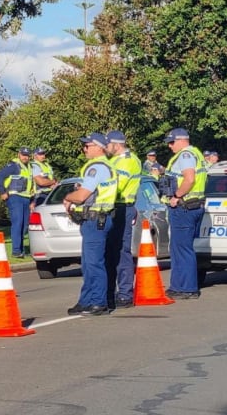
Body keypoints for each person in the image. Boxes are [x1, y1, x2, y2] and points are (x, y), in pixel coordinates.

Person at [63, 133, 119, 316]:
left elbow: (81, 196)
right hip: (96, 219)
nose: (84, 149)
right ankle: (86, 300)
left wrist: (67, 197)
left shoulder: (97, 168)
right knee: (87, 263)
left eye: (87, 146)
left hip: (96, 220)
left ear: (97, 147)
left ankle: (98, 301)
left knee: (94, 263)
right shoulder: (104, 166)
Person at [163, 127, 206, 299]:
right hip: (193, 206)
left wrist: (176, 196)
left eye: (172, 142)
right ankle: (178, 286)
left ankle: (187, 288)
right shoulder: (196, 153)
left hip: (184, 206)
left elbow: (189, 179)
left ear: (181, 140)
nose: (170, 146)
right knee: (180, 248)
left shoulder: (186, 155)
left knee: (182, 249)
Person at [106, 131, 141, 309]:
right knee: (111, 252)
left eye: (108, 144)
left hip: (122, 207)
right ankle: (111, 292)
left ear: (116, 144)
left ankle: (125, 294)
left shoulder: (127, 160)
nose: (106, 147)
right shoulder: (114, 160)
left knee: (121, 251)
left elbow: (117, 185)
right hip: (113, 207)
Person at [0, 147, 34, 258]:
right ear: (19, 155)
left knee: (24, 225)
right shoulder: (13, 166)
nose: (25, 157)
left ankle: (21, 250)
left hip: (26, 198)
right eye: (23, 155)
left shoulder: (29, 167)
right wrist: (2, 192)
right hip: (15, 197)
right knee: (18, 223)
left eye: (27, 155)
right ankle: (16, 250)